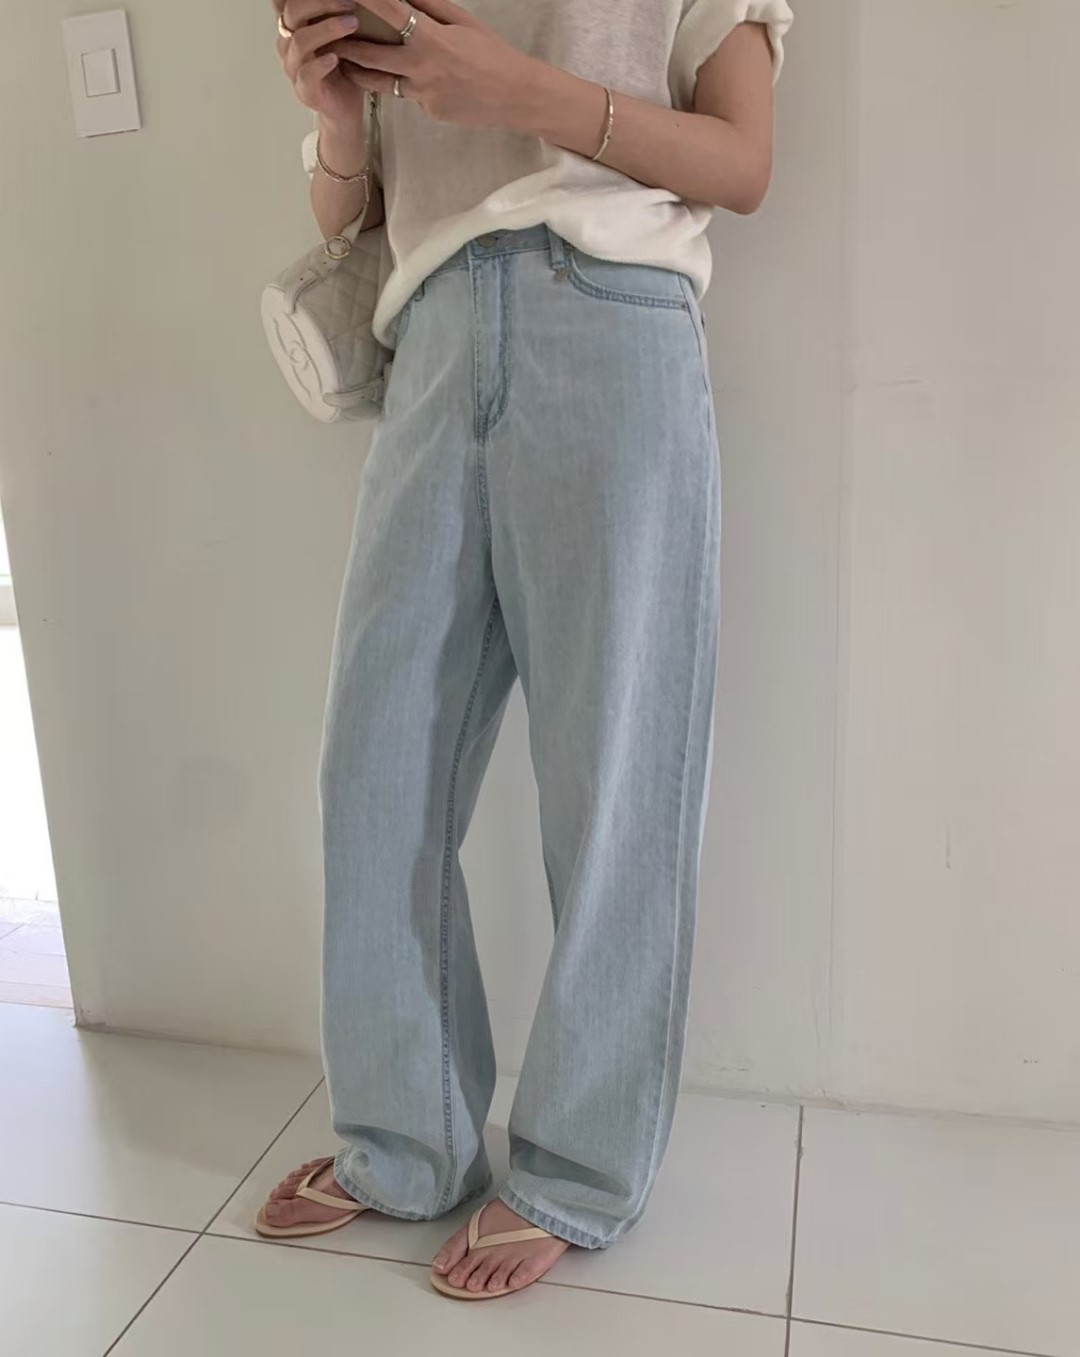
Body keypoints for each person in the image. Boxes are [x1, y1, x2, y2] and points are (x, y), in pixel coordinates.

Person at [258, 0, 793, 1302]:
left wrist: (517, 90)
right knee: (377, 771)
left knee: (613, 782)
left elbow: (743, 162)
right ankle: (408, 1138)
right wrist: (337, 117)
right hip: (432, 335)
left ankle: (579, 1165)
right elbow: (355, 220)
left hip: (610, 315)